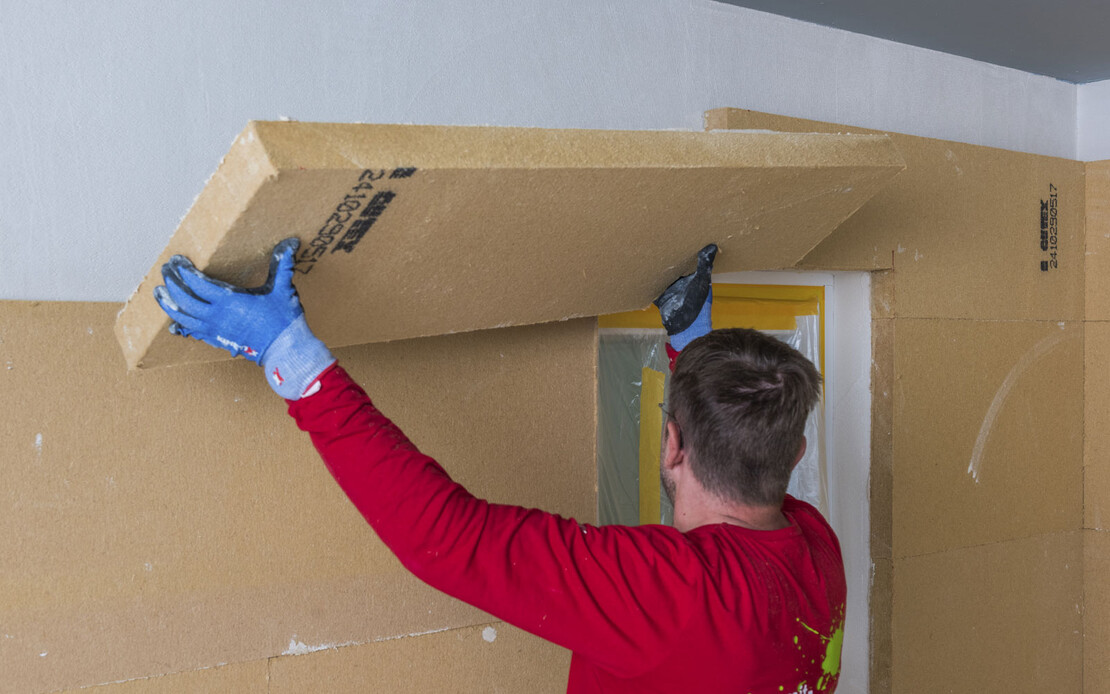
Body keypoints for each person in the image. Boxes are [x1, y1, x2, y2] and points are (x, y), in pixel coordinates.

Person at [154, 239, 845, 693]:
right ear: (795, 455)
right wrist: (695, 348)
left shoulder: (672, 595)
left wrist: (290, 356)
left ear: (671, 446)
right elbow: (736, 464)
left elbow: (447, 539)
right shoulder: (816, 555)